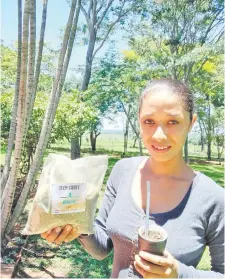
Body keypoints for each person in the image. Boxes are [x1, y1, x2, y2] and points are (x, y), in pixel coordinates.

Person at [41, 78, 224, 278]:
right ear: (139, 120)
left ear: (191, 123)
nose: (159, 135)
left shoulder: (212, 199)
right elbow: (102, 248)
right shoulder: (123, 171)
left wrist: (178, 274)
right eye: (149, 121)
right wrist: (78, 227)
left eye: (173, 122)